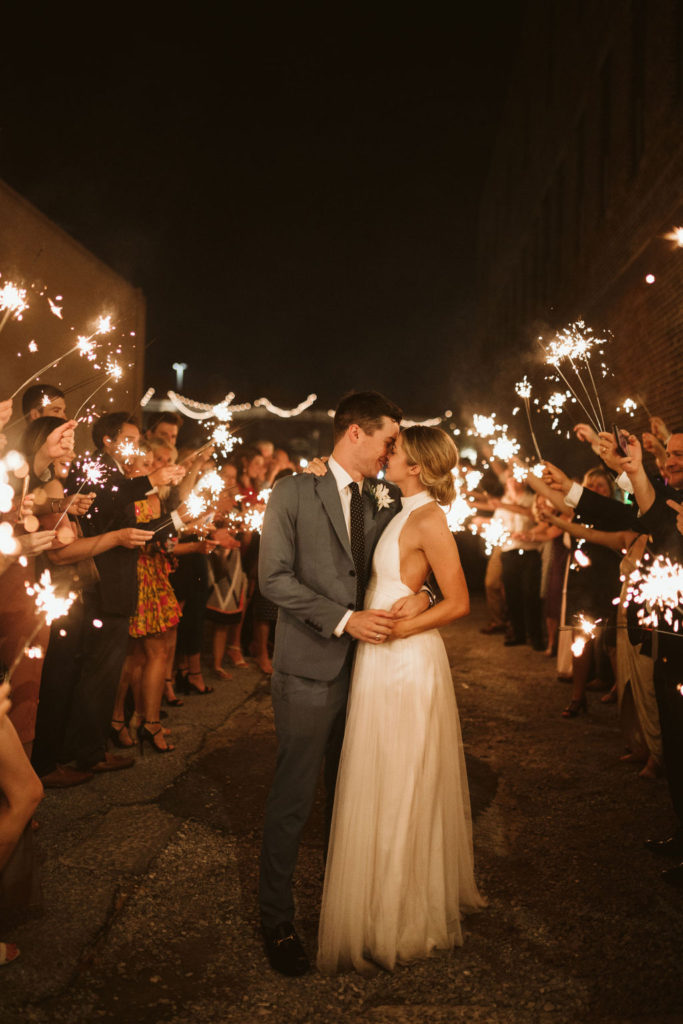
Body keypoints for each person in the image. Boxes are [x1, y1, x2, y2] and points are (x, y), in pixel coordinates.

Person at [258, 391, 431, 976]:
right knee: (293, 798)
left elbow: (407, 564)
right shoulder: (293, 490)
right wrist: (343, 619)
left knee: (352, 796)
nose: (392, 451)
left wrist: (423, 595)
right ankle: (276, 920)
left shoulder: (385, 498)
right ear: (355, 432)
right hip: (309, 667)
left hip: (370, 674)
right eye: (388, 439)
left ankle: (343, 909)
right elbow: (273, 579)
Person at [317, 426, 485, 974]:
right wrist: (418, 593)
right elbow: (411, 578)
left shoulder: (430, 516)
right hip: (378, 656)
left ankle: (400, 914)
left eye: (396, 451)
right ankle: (373, 905)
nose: (387, 455)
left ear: (415, 464)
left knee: (402, 780)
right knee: (378, 776)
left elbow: (459, 601)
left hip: (404, 662)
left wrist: (405, 626)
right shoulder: (400, 509)